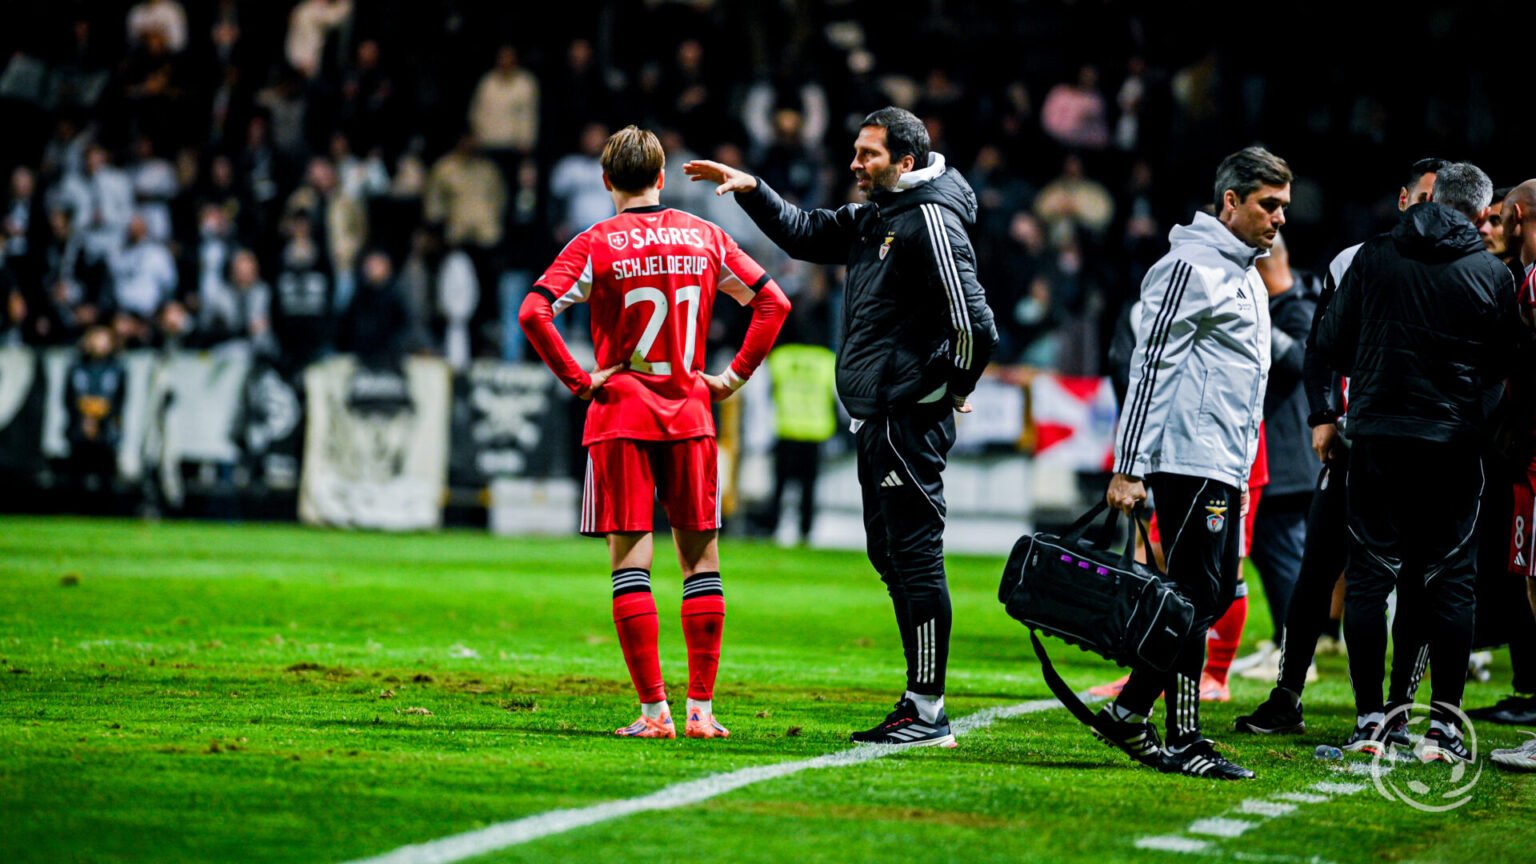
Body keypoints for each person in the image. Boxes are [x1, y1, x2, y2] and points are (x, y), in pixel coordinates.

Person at [685, 106, 999, 748]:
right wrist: (753, 189)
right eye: (856, 152)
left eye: (869, 155)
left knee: (914, 557)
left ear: (905, 162)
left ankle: (929, 709)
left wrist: (947, 386)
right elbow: (807, 233)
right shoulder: (883, 215)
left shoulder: (929, 219)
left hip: (904, 417)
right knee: (890, 555)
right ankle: (921, 699)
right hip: (878, 415)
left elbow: (977, 326)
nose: (855, 163)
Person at [519, 126, 789, 740]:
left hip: (619, 417)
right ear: (662, 177)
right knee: (702, 566)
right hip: (691, 412)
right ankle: (702, 711)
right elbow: (774, 304)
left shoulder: (595, 242)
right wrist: (730, 378)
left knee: (631, 566)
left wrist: (580, 381)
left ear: (607, 181)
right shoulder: (705, 237)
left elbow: (533, 311)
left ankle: (653, 713)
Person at [1235, 158, 1446, 740]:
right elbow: (1322, 349)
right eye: (1424, 195)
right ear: (1404, 199)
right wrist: (1325, 417)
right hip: (1358, 442)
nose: (1432, 206)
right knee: (1316, 572)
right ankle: (1288, 694)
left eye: (1442, 197)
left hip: (1428, 449)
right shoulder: (1355, 260)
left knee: (1412, 582)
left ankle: (1395, 708)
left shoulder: (1463, 267)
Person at [1317, 162, 1520, 763]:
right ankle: (1445, 727)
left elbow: (1331, 343)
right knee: (1450, 583)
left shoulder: (1373, 256)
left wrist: (1380, 374)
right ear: (1482, 213)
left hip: (1377, 438)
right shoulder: (1490, 273)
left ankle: (1370, 720)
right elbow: (1504, 367)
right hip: (1452, 446)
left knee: (1370, 576)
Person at [1102, 146, 1292, 780]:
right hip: (1188, 459)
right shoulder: (1191, 265)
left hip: (1220, 464)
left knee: (1201, 596)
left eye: (1284, 206)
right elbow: (1150, 366)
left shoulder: (1241, 272)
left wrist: (1239, 474)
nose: (1279, 218)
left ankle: (1133, 714)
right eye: (1269, 204)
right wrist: (1129, 465)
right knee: (1194, 595)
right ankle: (1179, 735)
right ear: (1230, 202)